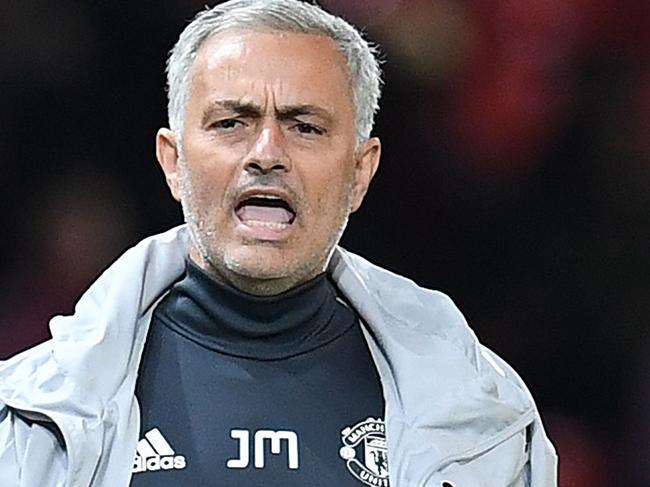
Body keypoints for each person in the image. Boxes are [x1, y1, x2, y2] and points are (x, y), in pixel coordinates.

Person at [0, 0, 557, 485]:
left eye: (305, 126)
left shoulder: (486, 417)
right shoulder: (25, 418)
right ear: (173, 163)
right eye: (230, 123)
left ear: (360, 172)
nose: (266, 152)